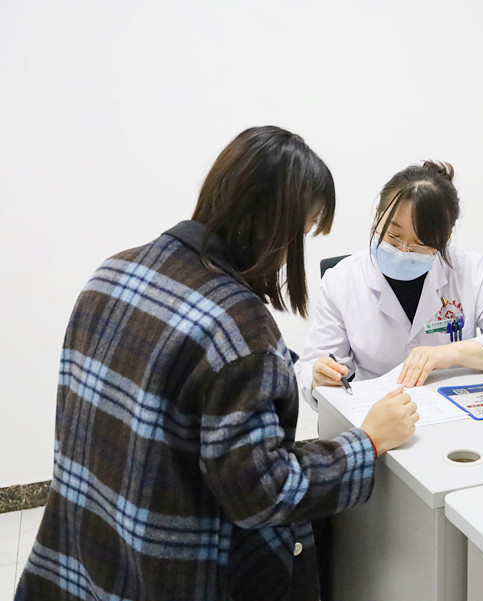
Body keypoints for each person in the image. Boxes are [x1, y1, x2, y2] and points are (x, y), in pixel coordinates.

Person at [15, 126, 419, 601]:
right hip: (171, 573)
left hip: (88, 559)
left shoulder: (113, 272)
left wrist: (285, 364)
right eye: (303, 230)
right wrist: (367, 442)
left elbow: (176, 369)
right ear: (274, 225)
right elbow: (265, 493)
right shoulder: (238, 326)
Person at [296, 160, 483, 409]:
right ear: (378, 215)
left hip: (453, 409)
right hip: (376, 414)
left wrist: (449, 354)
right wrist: (319, 376)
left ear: (445, 237)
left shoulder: (468, 270)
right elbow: (311, 369)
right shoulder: (342, 280)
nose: (403, 250)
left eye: (421, 242)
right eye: (393, 235)